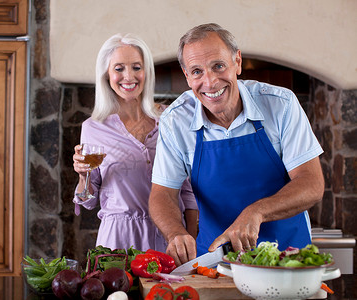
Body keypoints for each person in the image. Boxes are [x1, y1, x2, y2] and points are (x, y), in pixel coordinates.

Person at [149, 23, 325, 265]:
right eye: (197, 71)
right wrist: (175, 232)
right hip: (217, 261)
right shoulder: (175, 120)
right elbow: (162, 193)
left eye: (218, 66)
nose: (210, 82)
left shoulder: (281, 105)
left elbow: (312, 183)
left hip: (287, 258)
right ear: (187, 76)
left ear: (237, 62)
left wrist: (256, 212)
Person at [72, 33, 198, 252]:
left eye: (136, 67)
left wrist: (190, 239)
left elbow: (188, 191)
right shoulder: (94, 128)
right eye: (119, 68)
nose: (128, 76)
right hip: (119, 242)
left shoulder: (170, 120)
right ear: (107, 75)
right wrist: (84, 176)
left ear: (147, 72)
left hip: (169, 236)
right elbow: (87, 200)